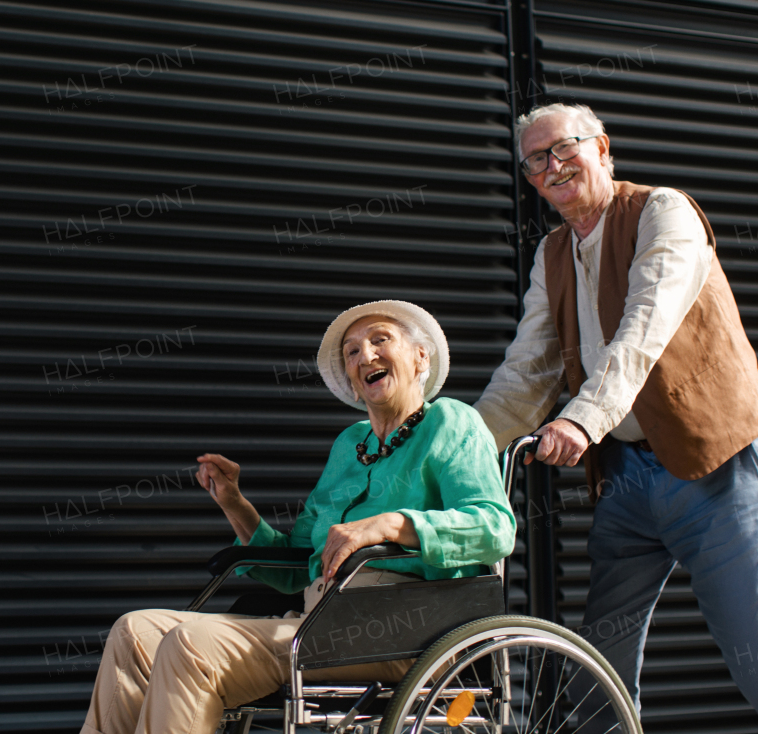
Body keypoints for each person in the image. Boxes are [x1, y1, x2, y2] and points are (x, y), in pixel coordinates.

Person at [476, 103, 758, 732]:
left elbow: (643, 331)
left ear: (603, 148)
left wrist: (583, 421)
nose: (552, 167)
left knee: (757, 655)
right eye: (536, 160)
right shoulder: (552, 254)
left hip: (712, 463)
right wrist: (459, 446)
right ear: (530, 179)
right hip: (628, 478)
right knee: (599, 666)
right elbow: (527, 371)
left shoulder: (663, 212)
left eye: (564, 148)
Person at [81, 300, 515, 734]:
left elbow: (496, 529)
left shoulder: (453, 422)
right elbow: (294, 565)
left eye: (380, 340)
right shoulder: (350, 445)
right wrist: (235, 503)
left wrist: (389, 524)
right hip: (319, 621)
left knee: (190, 646)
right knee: (133, 632)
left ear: (421, 357)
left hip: (404, 628)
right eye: (352, 351)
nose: (365, 355)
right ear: (351, 378)